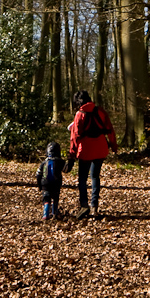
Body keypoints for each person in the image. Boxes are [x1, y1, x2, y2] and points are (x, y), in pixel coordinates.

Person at [68, 90, 117, 220]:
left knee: (82, 179)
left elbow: (75, 136)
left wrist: (71, 155)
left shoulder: (79, 114)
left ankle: (84, 205)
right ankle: (94, 205)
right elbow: (110, 129)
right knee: (95, 176)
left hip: (86, 150)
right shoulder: (100, 111)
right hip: (101, 148)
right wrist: (113, 146)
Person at [35, 141, 68, 220]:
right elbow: (66, 169)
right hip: (56, 182)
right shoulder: (60, 161)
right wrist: (71, 161)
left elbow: (38, 175)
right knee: (55, 196)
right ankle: (55, 212)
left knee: (46, 197)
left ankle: (45, 213)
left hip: (45, 183)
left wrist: (40, 186)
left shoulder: (44, 163)